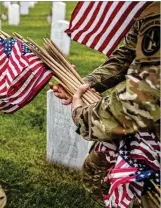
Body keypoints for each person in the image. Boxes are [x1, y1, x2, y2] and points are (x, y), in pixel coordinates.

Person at [49, 1, 159, 207]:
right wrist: (84, 85)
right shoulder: (153, 10)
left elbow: (146, 94)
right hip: (146, 121)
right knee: (97, 170)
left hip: (151, 132)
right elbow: (128, 55)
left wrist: (85, 115)